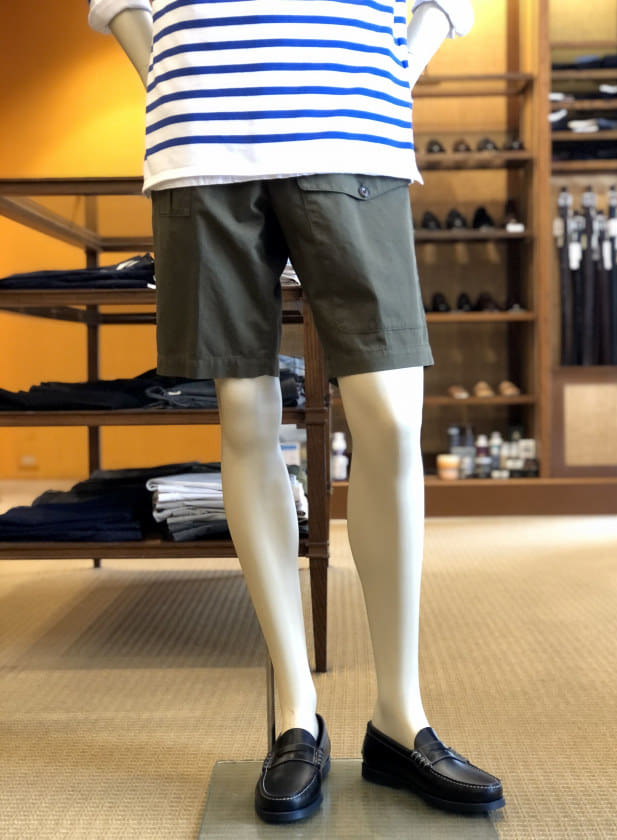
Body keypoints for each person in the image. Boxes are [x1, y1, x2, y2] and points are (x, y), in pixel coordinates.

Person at [88, 0, 505, 824]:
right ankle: (295, 713)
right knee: (246, 415)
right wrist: (171, 77)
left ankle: (400, 714)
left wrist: (394, 73)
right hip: (201, 139)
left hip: (351, 127)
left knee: (391, 417)